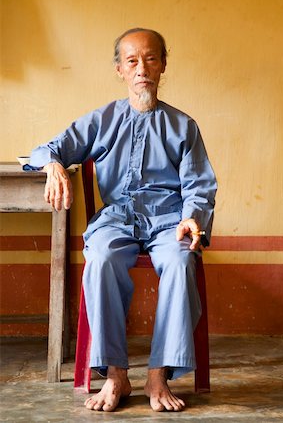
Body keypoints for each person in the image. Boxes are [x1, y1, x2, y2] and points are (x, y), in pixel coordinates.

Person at [29, 28, 217, 412]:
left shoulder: (184, 126)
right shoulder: (102, 119)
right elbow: (49, 147)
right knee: (100, 258)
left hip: (169, 220)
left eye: (150, 59)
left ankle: (157, 375)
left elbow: (199, 184)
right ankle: (116, 375)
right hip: (117, 219)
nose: (141, 68)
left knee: (181, 261)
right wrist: (52, 165)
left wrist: (192, 218)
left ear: (163, 65)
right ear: (119, 69)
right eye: (132, 60)